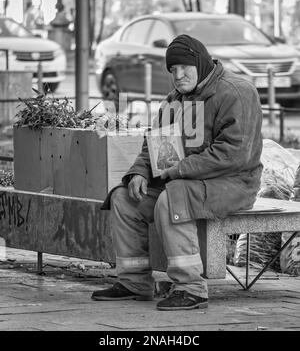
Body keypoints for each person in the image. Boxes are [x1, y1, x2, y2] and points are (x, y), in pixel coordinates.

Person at [91, 34, 263, 311]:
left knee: (173, 197)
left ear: (201, 64)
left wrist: (180, 169)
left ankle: (191, 288)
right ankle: (134, 282)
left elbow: (235, 153)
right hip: (184, 179)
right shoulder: (174, 100)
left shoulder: (237, 92)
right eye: (172, 69)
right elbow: (154, 145)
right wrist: (140, 173)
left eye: (184, 67)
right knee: (124, 198)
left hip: (233, 183)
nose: (178, 75)